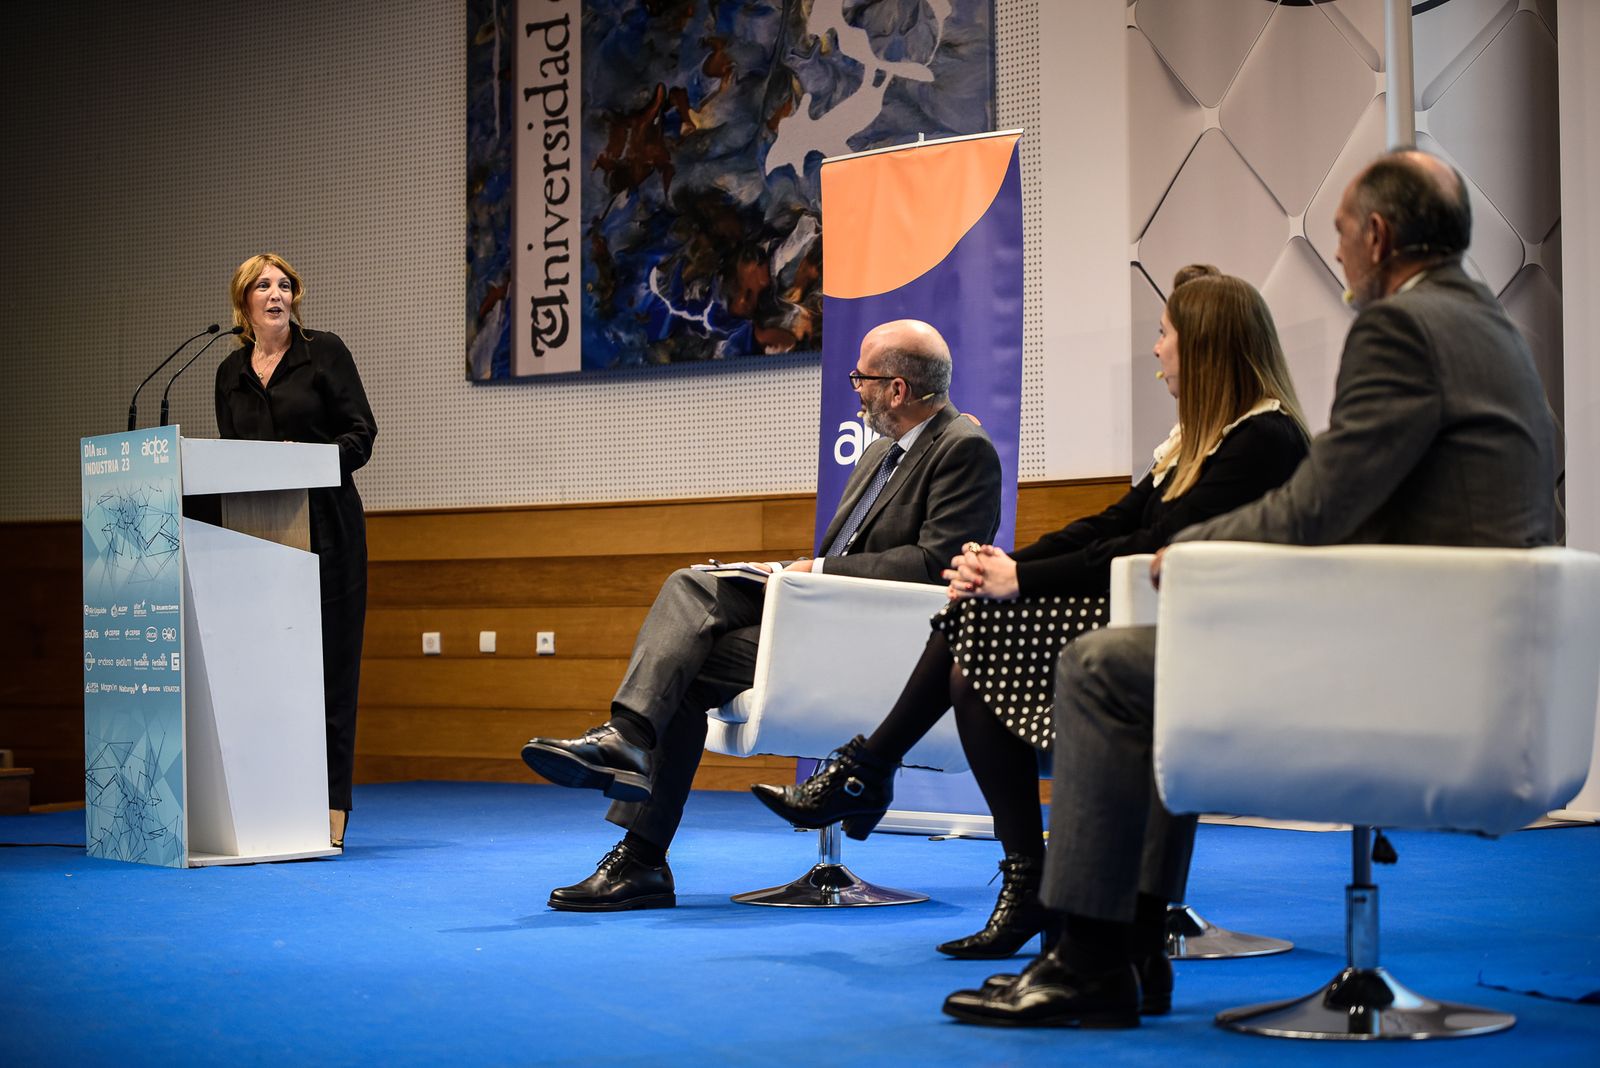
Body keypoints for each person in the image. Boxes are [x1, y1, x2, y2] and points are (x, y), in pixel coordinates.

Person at [940, 149, 1558, 1029]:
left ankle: (1089, 961)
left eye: (1342, 235)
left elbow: (1321, 503)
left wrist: (1193, 549)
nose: (1339, 254)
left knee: (1101, 667)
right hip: (1473, 659)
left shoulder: (1403, 330)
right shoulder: (1490, 329)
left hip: (1407, 672)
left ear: (1378, 236)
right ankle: (1136, 950)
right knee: (1149, 671)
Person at [751, 269, 1310, 984]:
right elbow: (1114, 523)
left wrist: (1021, 579)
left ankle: (876, 776)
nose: (1156, 349)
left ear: (1205, 348)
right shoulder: (1203, 440)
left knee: (976, 633)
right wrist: (1003, 563)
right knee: (975, 649)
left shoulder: (1262, 440)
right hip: (1163, 628)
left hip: (1217, 652)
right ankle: (1014, 874)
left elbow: (1150, 545)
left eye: (1166, 334)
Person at [519, 319, 1004, 911]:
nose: (855, 388)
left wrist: (814, 574)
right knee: (690, 597)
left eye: (863, 377)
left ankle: (635, 805)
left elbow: (938, 565)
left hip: (877, 643)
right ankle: (635, 793)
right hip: (824, 614)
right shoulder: (880, 452)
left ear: (897, 389)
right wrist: (793, 574)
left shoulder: (963, 447)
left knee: (691, 644)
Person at [214, 253, 377, 850]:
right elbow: (230, 459)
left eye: (285, 286)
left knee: (330, 671)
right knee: (264, 673)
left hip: (327, 527)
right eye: (264, 286)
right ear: (245, 303)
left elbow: (361, 436)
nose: (277, 294)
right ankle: (267, 805)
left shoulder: (324, 353)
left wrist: (302, 461)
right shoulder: (229, 371)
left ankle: (333, 807)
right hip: (256, 537)